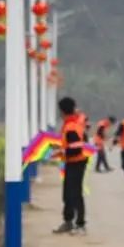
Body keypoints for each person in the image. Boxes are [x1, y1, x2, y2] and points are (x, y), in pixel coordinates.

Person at [53, 97, 89, 236]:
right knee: (68, 193)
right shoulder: (73, 123)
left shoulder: (71, 126)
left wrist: (60, 151)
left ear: (61, 111)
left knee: (75, 193)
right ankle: (68, 221)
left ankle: (80, 224)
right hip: (73, 161)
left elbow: (76, 148)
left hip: (77, 162)